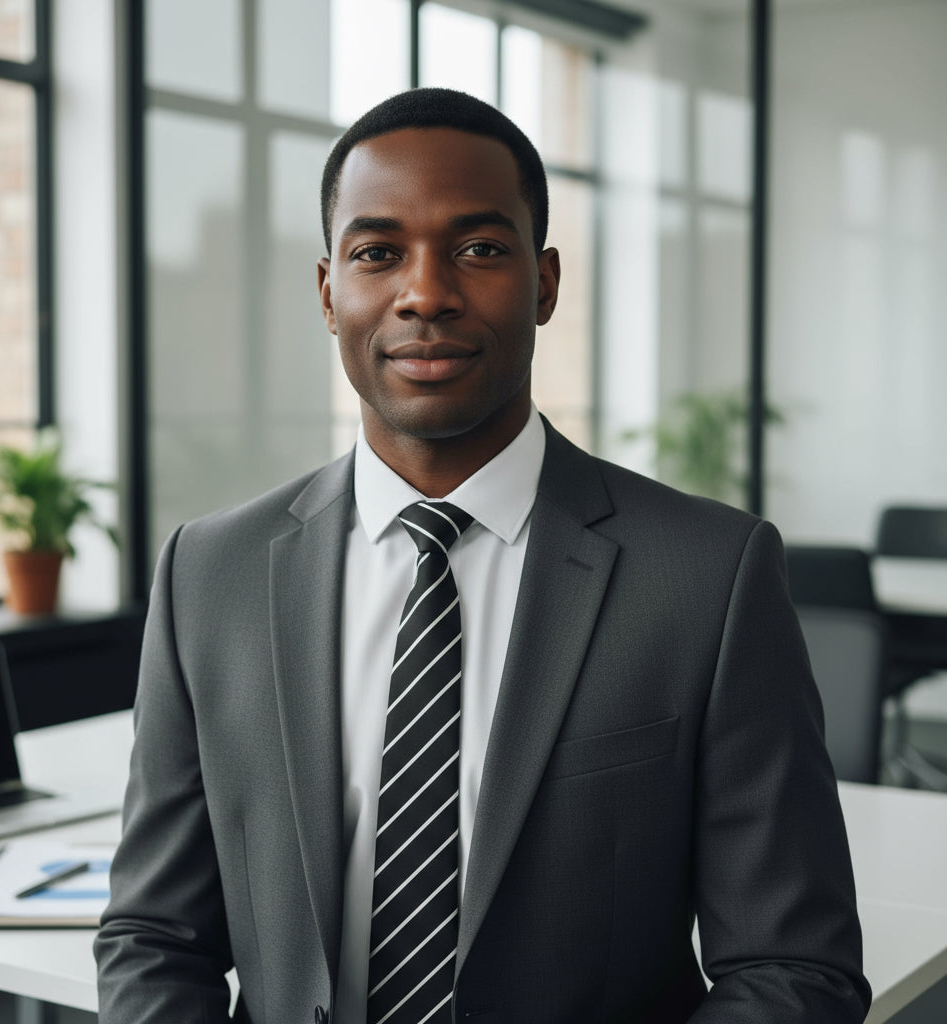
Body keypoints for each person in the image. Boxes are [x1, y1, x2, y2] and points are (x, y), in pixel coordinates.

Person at [96, 88, 870, 1023]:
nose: (426, 292)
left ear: (544, 283)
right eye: (378, 253)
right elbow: (155, 939)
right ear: (329, 291)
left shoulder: (709, 576)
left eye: (479, 249)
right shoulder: (207, 575)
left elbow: (794, 968)